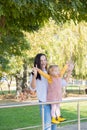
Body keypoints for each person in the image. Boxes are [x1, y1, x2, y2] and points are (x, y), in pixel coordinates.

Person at [29, 53, 57, 130]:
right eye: (41, 60)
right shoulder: (34, 74)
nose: (43, 62)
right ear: (37, 62)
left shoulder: (49, 72)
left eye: (44, 60)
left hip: (53, 102)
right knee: (47, 126)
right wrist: (34, 76)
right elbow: (32, 88)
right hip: (44, 103)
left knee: (54, 126)